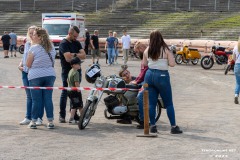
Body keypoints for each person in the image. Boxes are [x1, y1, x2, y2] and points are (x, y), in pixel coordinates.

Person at [142, 30, 182, 134]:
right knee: (168, 103)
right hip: (162, 75)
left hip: (149, 75)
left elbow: (144, 64)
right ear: (161, 38)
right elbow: (172, 64)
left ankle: (153, 125)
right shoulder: (165, 49)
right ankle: (173, 126)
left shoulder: (147, 49)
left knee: (152, 103)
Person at [26, 27, 56, 129]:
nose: (32, 36)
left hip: (35, 75)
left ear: (39, 37)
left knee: (36, 100)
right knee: (48, 98)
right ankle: (50, 121)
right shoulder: (51, 47)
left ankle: (33, 121)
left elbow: (28, 64)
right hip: (50, 74)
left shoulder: (34, 48)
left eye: (34, 34)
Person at [59, 26, 86, 123]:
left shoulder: (77, 42)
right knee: (65, 92)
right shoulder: (63, 43)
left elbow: (84, 55)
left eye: (77, 36)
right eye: (74, 36)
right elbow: (67, 59)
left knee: (75, 93)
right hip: (67, 72)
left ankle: (73, 116)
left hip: (77, 71)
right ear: (69, 33)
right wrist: (76, 55)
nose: (76, 38)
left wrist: (73, 54)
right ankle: (62, 115)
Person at [18, 26, 44, 126]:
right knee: (29, 96)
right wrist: (20, 64)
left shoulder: (40, 45)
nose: (31, 35)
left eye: (33, 33)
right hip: (24, 72)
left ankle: (38, 118)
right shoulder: (27, 44)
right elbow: (25, 57)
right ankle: (28, 117)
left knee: (38, 97)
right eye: (30, 33)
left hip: (34, 73)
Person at [67, 57, 83, 124]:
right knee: (76, 105)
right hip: (75, 91)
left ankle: (83, 117)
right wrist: (79, 89)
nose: (80, 65)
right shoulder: (76, 73)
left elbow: (67, 80)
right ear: (74, 65)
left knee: (78, 105)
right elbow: (76, 82)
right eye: (78, 64)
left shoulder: (70, 71)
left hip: (70, 90)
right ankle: (71, 118)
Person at [233, 37, 240, 104]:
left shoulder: (235, 47)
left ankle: (236, 95)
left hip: (237, 66)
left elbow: (233, 58)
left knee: (238, 83)